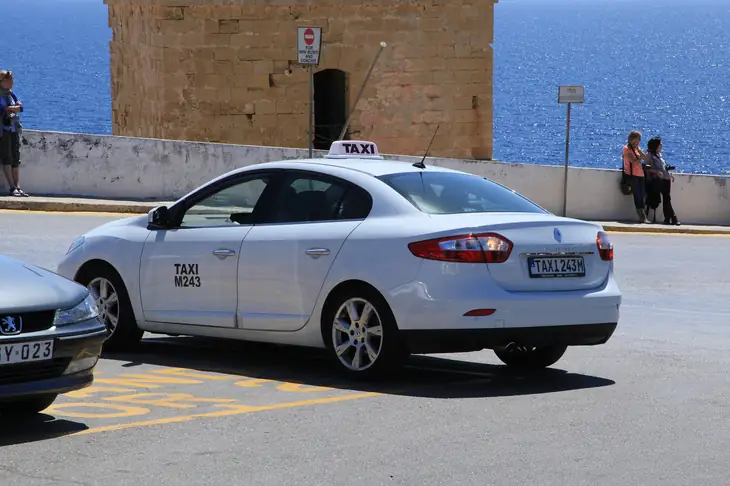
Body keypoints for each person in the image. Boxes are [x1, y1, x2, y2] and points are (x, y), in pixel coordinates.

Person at [0, 70, 28, 197]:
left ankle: (18, 186)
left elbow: (20, 108)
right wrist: (12, 109)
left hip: (14, 128)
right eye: (10, 80)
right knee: (7, 158)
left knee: (16, 158)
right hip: (3, 130)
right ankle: (12, 187)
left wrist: (10, 109)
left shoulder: (11, 94)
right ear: (3, 82)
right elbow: (4, 110)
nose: (12, 83)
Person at [645, 136, 680, 226]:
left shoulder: (659, 155)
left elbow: (663, 167)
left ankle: (668, 218)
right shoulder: (649, 155)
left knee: (667, 198)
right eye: (660, 144)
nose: (661, 146)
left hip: (665, 179)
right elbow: (646, 167)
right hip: (657, 180)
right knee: (667, 198)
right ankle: (673, 217)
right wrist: (656, 172)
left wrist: (669, 174)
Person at [622, 130, 648, 223]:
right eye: (634, 140)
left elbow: (645, 158)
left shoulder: (637, 148)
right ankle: (641, 216)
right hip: (632, 175)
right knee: (637, 195)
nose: (636, 143)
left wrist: (640, 151)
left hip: (640, 174)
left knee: (642, 194)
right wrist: (640, 157)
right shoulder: (627, 149)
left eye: (637, 141)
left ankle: (644, 215)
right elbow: (634, 161)